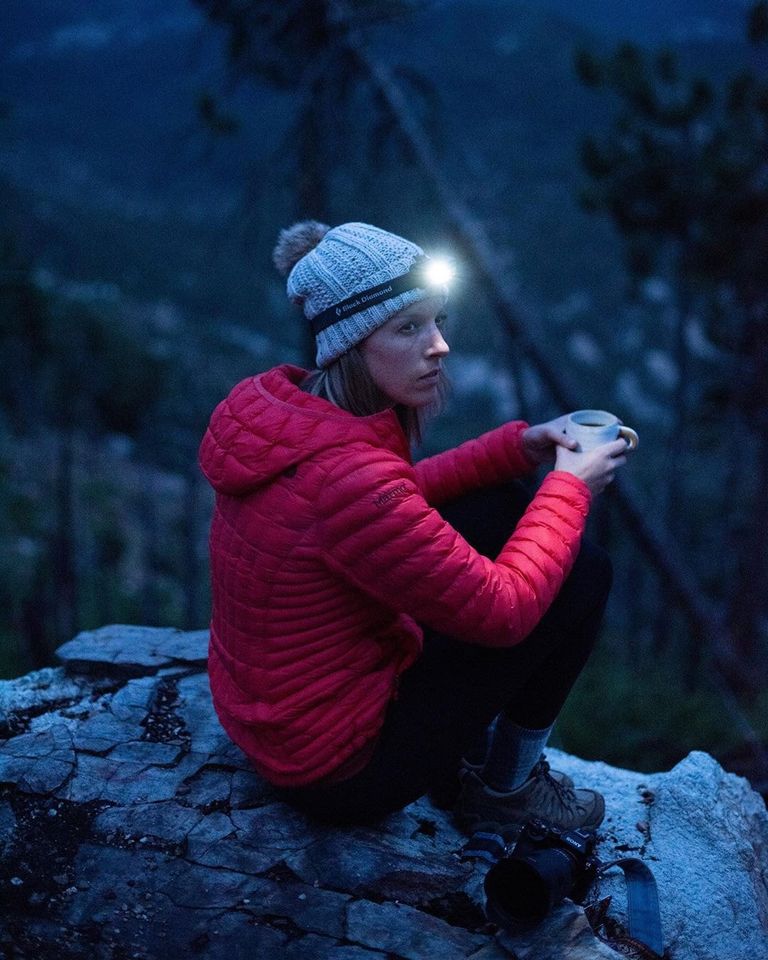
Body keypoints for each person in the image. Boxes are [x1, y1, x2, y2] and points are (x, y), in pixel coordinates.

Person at [199, 220, 630, 833]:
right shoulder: (350, 480)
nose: (439, 346)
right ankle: (506, 790)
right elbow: (503, 612)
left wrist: (521, 447)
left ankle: (474, 751)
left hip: (284, 716)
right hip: (340, 767)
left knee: (500, 501)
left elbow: (396, 502)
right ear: (350, 342)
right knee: (583, 571)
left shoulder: (290, 415)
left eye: (437, 322)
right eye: (409, 328)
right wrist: (572, 485)